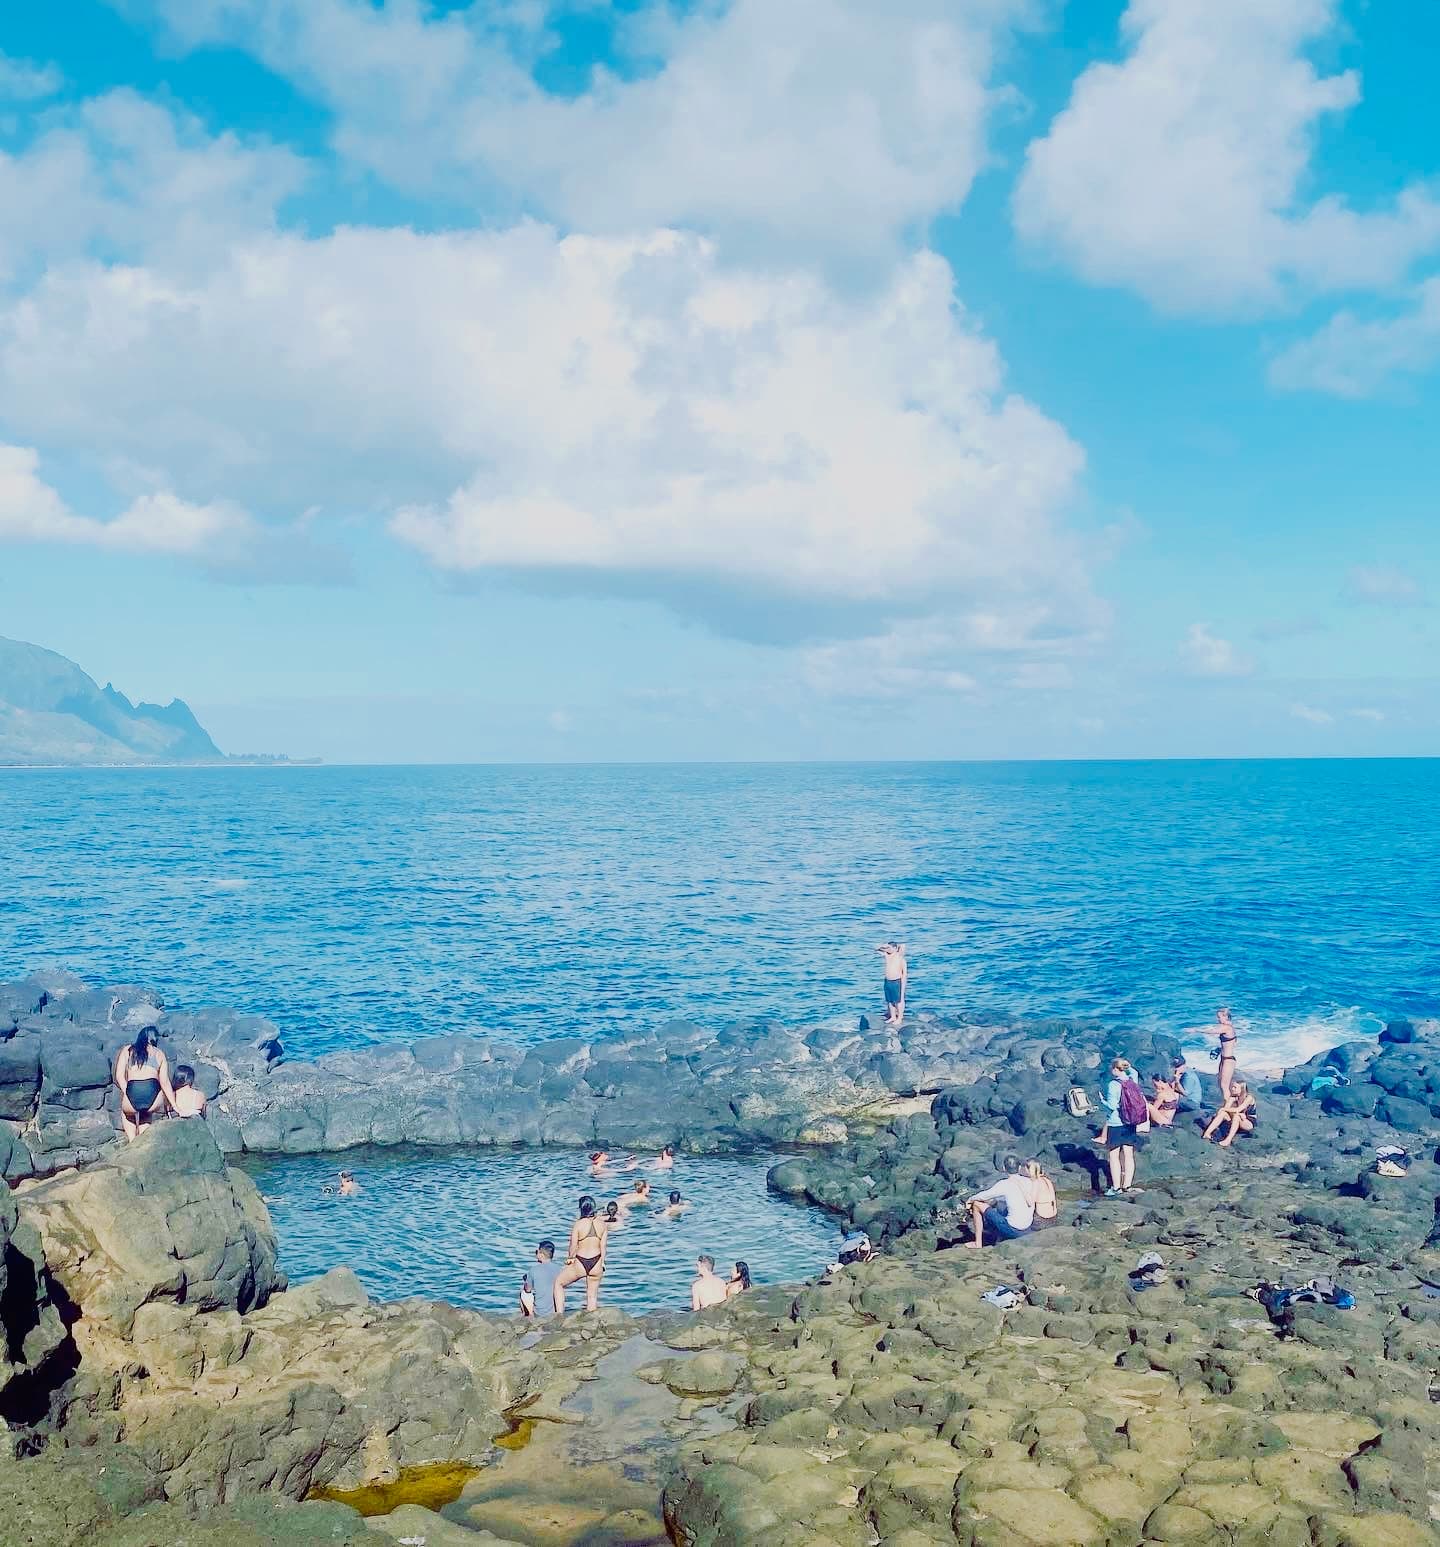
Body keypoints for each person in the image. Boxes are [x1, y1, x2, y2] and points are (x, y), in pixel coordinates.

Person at [114, 1025, 176, 1140]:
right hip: (152, 1099)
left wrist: (128, 1093)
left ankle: (132, 1141)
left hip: (132, 1092)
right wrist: (176, 1106)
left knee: (127, 1113)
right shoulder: (159, 1053)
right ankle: (142, 1140)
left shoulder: (127, 1050)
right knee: (146, 1113)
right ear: (155, 1039)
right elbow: (165, 1082)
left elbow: (119, 1076)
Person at [1097, 1057, 1145, 1196]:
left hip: (1116, 1122)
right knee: (1129, 1155)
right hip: (1130, 1122)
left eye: (1112, 1068)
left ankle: (1116, 1187)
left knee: (1114, 1155)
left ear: (1115, 1069)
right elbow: (1133, 1072)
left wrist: (1102, 1101)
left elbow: (1112, 1106)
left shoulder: (1113, 1084)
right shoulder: (1132, 1079)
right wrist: (1128, 1066)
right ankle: (1127, 1186)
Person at [555, 1195, 608, 1313]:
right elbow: (603, 1247)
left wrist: (570, 1258)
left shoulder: (578, 1224)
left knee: (559, 1283)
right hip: (597, 1262)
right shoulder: (602, 1224)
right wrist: (603, 1262)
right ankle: (592, 1321)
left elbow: (573, 1246)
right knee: (592, 1297)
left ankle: (559, 1315)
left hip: (581, 1261)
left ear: (581, 1209)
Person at [963, 1167, 1039, 1247]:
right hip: (1027, 1229)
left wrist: (970, 1200)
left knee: (976, 1204)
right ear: (1019, 1167)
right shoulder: (1029, 1181)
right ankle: (999, 1237)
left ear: (1004, 1168)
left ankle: (977, 1244)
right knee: (1001, 1204)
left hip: (1013, 1230)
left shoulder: (1004, 1184)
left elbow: (984, 1195)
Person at [1203, 1080, 1256, 1147]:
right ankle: (1207, 1133)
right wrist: (1223, 1110)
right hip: (1239, 1117)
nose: (1232, 1089)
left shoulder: (1249, 1098)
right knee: (1223, 1113)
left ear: (1242, 1089)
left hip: (1249, 1121)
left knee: (1236, 1115)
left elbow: (1238, 1109)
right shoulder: (1233, 1097)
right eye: (1232, 1087)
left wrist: (1223, 1109)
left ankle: (1228, 1140)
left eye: (1235, 1087)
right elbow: (1226, 1108)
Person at [520, 1240, 564, 1319]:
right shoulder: (560, 1269)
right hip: (555, 1311)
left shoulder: (533, 1270)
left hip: (540, 1312)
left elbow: (527, 1290)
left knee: (523, 1291)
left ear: (541, 1254)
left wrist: (526, 1281)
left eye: (536, 1251)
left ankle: (528, 1315)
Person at [877, 942, 907, 1027]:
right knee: (889, 1000)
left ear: (895, 948)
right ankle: (893, 1016)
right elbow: (877, 949)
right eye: (887, 948)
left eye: (890, 948)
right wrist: (885, 946)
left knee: (898, 1001)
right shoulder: (887, 955)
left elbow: (903, 946)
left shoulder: (899, 956)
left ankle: (900, 1018)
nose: (887, 949)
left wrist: (896, 947)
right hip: (887, 981)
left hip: (896, 981)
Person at [1211, 1007, 1238, 1100]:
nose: (1218, 1019)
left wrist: (1196, 1030)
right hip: (1224, 1058)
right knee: (1221, 1083)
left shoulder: (1227, 1028)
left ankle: (1227, 1107)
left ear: (1225, 1016)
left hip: (1228, 1059)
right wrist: (1220, 1049)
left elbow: (1212, 1031)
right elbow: (1231, 1043)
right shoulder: (1229, 1027)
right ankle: (1227, 1104)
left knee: (1224, 1086)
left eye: (1219, 1017)